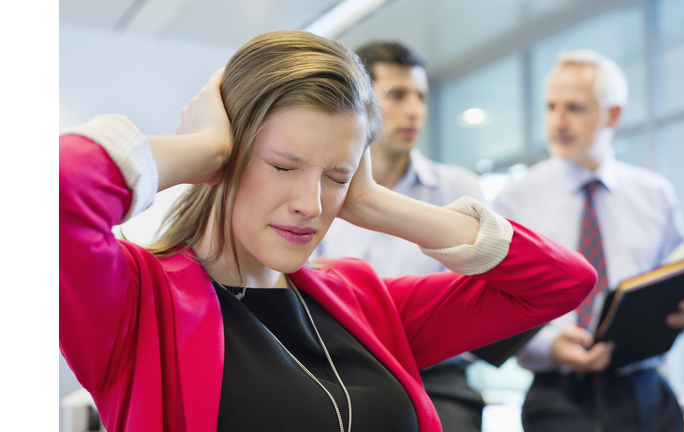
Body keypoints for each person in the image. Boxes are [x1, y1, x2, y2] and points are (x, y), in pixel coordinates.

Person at [59, 31, 597, 432]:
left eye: (337, 175)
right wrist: (202, 150)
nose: (311, 205)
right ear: (229, 158)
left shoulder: (361, 299)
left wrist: (373, 203)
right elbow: (57, 190)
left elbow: (561, 282)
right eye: (283, 166)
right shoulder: (136, 305)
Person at [492, 49, 684, 432]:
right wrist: (549, 347)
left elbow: (677, 275)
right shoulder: (515, 199)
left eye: (574, 107)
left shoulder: (654, 193)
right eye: (551, 106)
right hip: (557, 395)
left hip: (646, 394)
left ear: (613, 115)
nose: (558, 121)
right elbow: (495, 302)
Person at [313, 42, 487, 432]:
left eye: (422, 97)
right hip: (345, 369)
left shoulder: (459, 189)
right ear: (363, 101)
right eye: (399, 95)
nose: (415, 110)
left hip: (438, 375)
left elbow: (482, 289)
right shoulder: (324, 188)